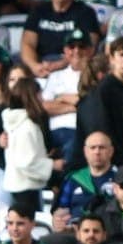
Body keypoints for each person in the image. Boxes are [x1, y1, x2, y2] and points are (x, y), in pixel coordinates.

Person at [20, 0, 101, 78]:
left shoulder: (86, 12)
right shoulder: (38, 11)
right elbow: (27, 43)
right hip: (41, 64)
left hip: (73, 65)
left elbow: (91, 46)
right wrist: (35, 66)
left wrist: (60, 65)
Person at [76, 37, 123, 168]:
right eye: (122, 55)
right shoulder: (104, 90)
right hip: (111, 158)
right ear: (112, 58)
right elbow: (102, 128)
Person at [46, 131, 117, 244]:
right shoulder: (74, 179)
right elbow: (62, 210)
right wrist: (58, 221)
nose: (97, 152)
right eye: (93, 148)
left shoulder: (121, 179)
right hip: (74, 234)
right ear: (85, 151)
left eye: (102, 147)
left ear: (111, 151)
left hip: (107, 236)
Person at [1, 77, 57, 213]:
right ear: (32, 97)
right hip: (27, 187)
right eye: (39, 94)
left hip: (20, 185)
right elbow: (26, 163)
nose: (42, 98)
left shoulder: (15, 123)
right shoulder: (27, 127)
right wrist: (53, 164)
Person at [41, 30, 93, 165]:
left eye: (81, 47)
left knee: (73, 147)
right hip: (54, 131)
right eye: (72, 47)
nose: (77, 51)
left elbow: (93, 104)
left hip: (81, 131)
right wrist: (78, 105)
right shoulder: (55, 76)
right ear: (65, 50)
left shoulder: (95, 75)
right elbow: (45, 106)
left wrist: (60, 98)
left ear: (90, 50)